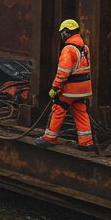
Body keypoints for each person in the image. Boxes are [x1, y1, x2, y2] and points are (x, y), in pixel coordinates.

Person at [36, 19, 95, 150]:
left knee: (58, 109)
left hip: (71, 89)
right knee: (81, 112)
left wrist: (55, 87)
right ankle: (86, 142)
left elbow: (63, 72)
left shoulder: (69, 50)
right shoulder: (85, 48)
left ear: (66, 33)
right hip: (84, 88)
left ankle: (49, 138)